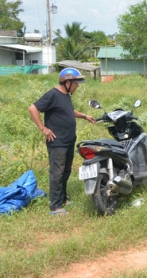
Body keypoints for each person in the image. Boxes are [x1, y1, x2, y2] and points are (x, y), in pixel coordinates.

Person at [28, 67, 96, 216]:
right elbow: (32, 108)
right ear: (67, 82)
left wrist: (84, 116)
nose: (77, 86)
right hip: (57, 142)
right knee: (57, 173)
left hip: (68, 140)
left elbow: (68, 111)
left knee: (66, 171)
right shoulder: (53, 94)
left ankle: (63, 199)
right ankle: (55, 206)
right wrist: (43, 128)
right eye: (76, 83)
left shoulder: (66, 95)